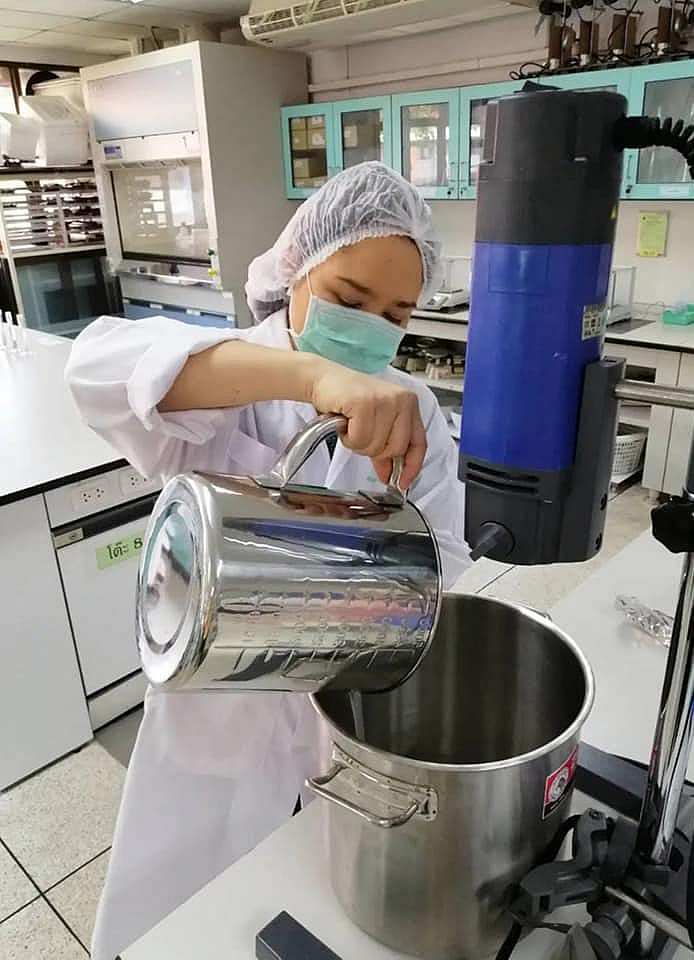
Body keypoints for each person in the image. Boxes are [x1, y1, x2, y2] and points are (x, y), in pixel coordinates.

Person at [66, 160, 472, 959]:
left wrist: (357, 590)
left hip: (343, 716)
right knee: (186, 925)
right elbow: (95, 371)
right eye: (350, 298)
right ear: (297, 268)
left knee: (318, 905)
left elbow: (447, 558)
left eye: (396, 314)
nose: (372, 328)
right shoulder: (231, 371)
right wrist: (314, 374)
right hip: (219, 722)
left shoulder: (414, 409)